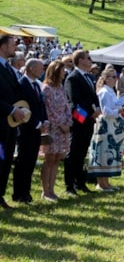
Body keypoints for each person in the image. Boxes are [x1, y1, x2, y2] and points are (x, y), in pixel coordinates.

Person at [64, 49, 102, 195]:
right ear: (80, 60)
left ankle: (80, 182)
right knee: (73, 152)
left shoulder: (89, 77)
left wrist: (97, 108)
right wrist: (91, 113)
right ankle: (69, 185)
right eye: (88, 58)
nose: (91, 60)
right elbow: (75, 101)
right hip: (79, 120)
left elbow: (93, 97)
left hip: (89, 120)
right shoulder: (73, 78)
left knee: (82, 152)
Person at [88, 68, 124, 192]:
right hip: (105, 125)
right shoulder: (104, 92)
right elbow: (106, 112)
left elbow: (114, 106)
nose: (115, 79)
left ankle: (106, 182)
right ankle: (101, 183)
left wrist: (123, 106)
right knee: (104, 152)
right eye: (112, 77)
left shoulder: (110, 91)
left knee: (109, 151)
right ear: (105, 78)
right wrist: (121, 110)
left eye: (115, 77)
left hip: (112, 126)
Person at [13, 58, 48, 204]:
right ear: (32, 69)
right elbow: (23, 107)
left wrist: (45, 120)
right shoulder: (22, 84)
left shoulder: (36, 84)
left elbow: (40, 105)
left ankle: (26, 193)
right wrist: (37, 123)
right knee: (23, 162)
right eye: (40, 68)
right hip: (26, 129)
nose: (42, 71)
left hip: (36, 129)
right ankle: (19, 194)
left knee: (31, 161)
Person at [0, 35, 28, 209]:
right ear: (3, 47)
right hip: (1, 121)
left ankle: (0, 195)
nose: (15, 49)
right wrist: (12, 109)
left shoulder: (8, 68)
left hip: (10, 124)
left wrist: (22, 108)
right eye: (12, 45)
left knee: (6, 160)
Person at [41, 59, 70, 202]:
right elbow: (48, 110)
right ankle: (45, 190)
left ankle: (52, 189)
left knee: (58, 158)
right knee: (49, 158)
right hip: (52, 128)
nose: (64, 73)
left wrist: (68, 122)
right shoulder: (46, 88)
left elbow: (66, 106)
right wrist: (60, 124)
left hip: (63, 129)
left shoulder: (60, 87)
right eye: (62, 70)